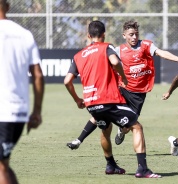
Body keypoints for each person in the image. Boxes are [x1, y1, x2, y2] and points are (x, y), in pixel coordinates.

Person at [64, 20, 161, 178]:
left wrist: (77, 100)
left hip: (91, 103)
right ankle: (142, 169)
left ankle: (110, 166)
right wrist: (123, 76)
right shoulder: (106, 47)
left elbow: (67, 81)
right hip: (108, 100)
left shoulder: (77, 56)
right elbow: (115, 62)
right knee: (137, 127)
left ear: (88, 36)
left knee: (105, 129)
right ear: (104, 34)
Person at [66, 20, 178, 149]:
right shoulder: (118, 50)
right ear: (124, 35)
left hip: (139, 94)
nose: (134, 37)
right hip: (121, 89)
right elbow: (106, 64)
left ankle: (121, 130)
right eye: (131, 34)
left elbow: (162, 53)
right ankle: (79, 140)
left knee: (128, 127)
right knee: (100, 114)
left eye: (136, 34)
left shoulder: (146, 45)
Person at [0, 0, 45, 183]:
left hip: (2, 112)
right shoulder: (24, 34)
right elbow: (38, 76)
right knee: (4, 164)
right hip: (18, 113)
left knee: (1, 167)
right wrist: (36, 112)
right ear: (8, 7)